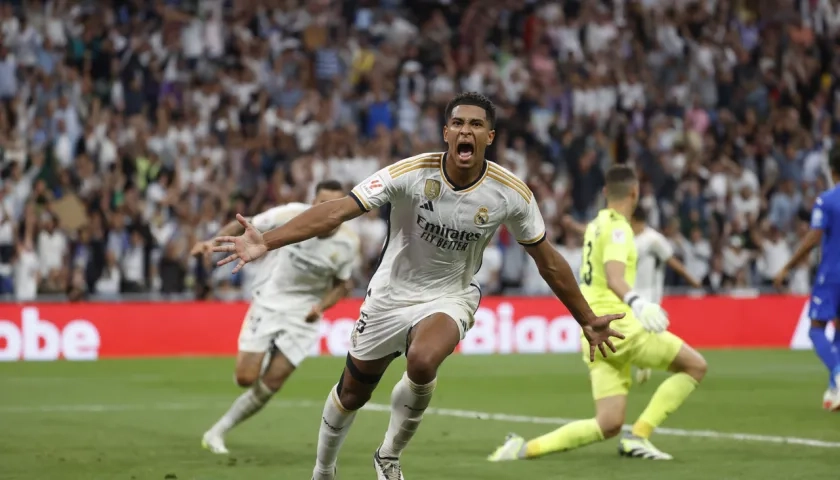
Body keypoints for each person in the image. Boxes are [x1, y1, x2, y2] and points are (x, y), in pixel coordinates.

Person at [212, 92, 625, 480]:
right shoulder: (409, 173)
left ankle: (388, 455)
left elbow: (547, 260)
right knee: (352, 393)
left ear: (490, 136)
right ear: (446, 132)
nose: (466, 131)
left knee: (424, 360)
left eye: (477, 125)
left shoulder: (511, 194)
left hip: (451, 295)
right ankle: (324, 470)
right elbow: (335, 212)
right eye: (458, 123)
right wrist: (266, 240)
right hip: (390, 296)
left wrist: (586, 318)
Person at [487, 165, 707, 463]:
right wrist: (638, 303)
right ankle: (639, 435)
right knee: (695, 367)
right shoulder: (619, 227)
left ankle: (524, 449)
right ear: (635, 193)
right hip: (620, 326)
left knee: (608, 423)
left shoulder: (596, 225)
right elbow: (615, 277)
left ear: (605, 193)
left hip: (593, 332)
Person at [195, 180, 360, 455]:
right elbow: (246, 223)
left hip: (304, 315)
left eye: (333, 205)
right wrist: (212, 243)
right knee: (246, 378)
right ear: (312, 203)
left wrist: (321, 307)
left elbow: (342, 284)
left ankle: (217, 432)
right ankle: (261, 352)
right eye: (321, 203)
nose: (326, 210)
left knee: (272, 382)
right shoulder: (290, 214)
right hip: (270, 301)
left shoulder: (348, 242)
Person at [774, 149, 840, 411]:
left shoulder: (827, 200)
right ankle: (835, 390)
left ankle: (837, 373)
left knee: (816, 328)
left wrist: (786, 267)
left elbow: (813, 238)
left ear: (832, 171)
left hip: (832, 274)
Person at [630, 206, 702, 384]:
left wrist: (691, 279)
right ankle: (642, 363)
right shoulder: (628, 238)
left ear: (636, 220)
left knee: (647, 332)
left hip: (650, 296)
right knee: (633, 333)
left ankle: (678, 364)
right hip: (630, 293)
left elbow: (672, 262)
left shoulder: (654, 240)